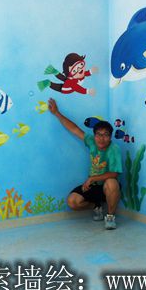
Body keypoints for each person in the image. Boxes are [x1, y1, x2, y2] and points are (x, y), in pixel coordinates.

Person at [48, 98, 121, 230]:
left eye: (106, 135)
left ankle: (110, 216)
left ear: (110, 137)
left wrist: (93, 178)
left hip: (106, 186)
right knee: (72, 202)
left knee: (112, 182)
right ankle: (96, 206)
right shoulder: (91, 141)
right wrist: (57, 113)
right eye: (98, 134)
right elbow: (74, 129)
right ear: (94, 136)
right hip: (93, 185)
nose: (101, 138)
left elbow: (114, 173)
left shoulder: (114, 149)